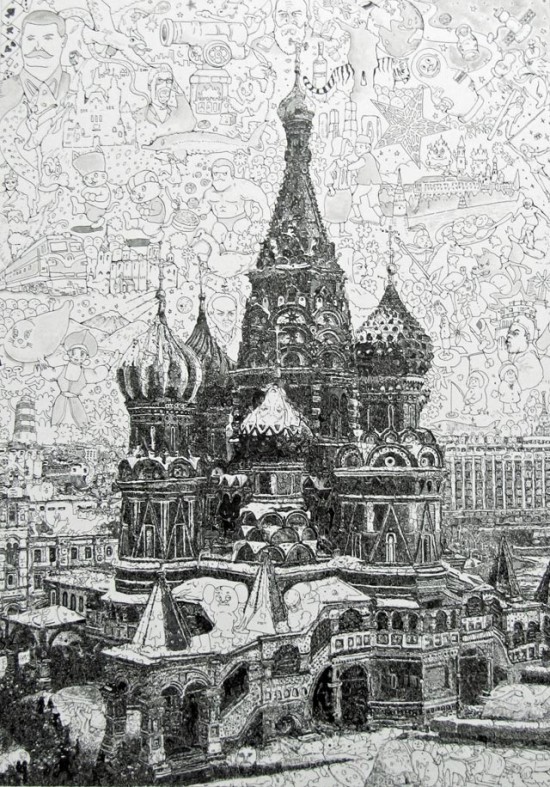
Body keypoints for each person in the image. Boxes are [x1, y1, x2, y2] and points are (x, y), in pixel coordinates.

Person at [0, 10, 70, 131]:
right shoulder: (3, 91)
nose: (38, 47)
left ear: (63, 41)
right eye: (30, 38)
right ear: (21, 41)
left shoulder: (79, 85)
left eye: (47, 38)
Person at [41, 330, 109, 429]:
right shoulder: (61, 369)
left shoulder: (85, 372)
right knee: (56, 421)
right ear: (68, 354)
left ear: (86, 357)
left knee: (81, 423)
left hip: (76, 403)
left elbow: (97, 374)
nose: (77, 357)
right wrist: (43, 364)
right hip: (61, 401)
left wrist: (108, 365)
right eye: (73, 353)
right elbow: (50, 373)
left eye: (81, 354)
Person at [201, 159, 269, 252]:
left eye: (224, 173)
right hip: (220, 222)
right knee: (217, 241)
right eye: (216, 174)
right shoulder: (209, 193)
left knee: (245, 242)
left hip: (240, 220)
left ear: (232, 175)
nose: (220, 177)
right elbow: (203, 210)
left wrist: (266, 215)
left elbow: (261, 198)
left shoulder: (241, 186)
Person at [134, 64, 196, 144]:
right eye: (159, 81)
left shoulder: (176, 113)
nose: (165, 85)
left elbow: (190, 125)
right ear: (149, 86)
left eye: (169, 81)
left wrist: (180, 93)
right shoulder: (139, 115)